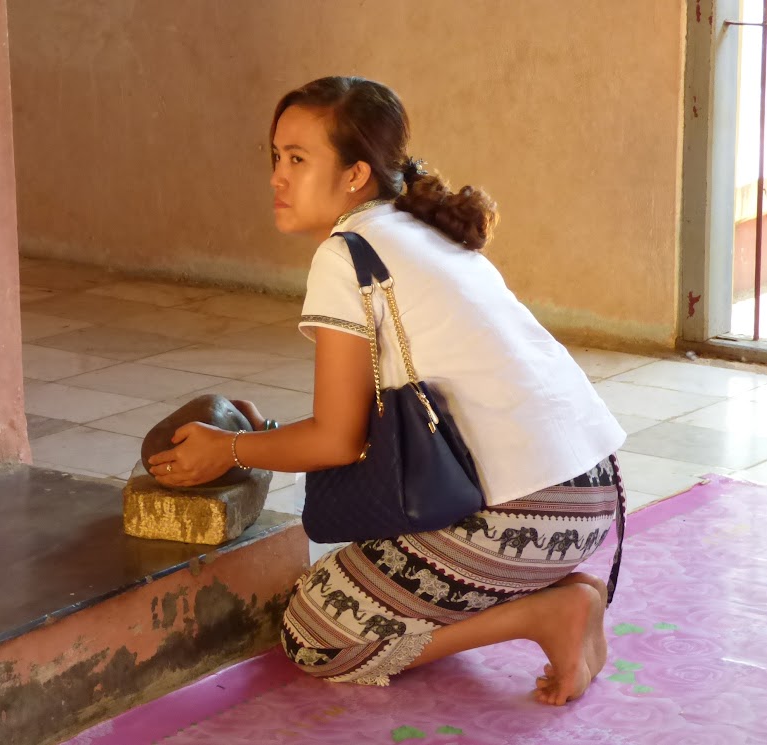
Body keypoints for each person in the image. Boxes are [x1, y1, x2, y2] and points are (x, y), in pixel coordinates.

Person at [147, 76, 626, 706]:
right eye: (275, 157)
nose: (277, 178)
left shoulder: (348, 255)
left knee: (316, 631)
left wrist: (229, 452)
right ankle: (547, 591)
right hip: (593, 493)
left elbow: (339, 440)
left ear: (355, 175)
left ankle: (545, 613)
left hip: (532, 516)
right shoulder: (419, 230)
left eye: (298, 159)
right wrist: (266, 439)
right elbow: (385, 422)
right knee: (367, 564)